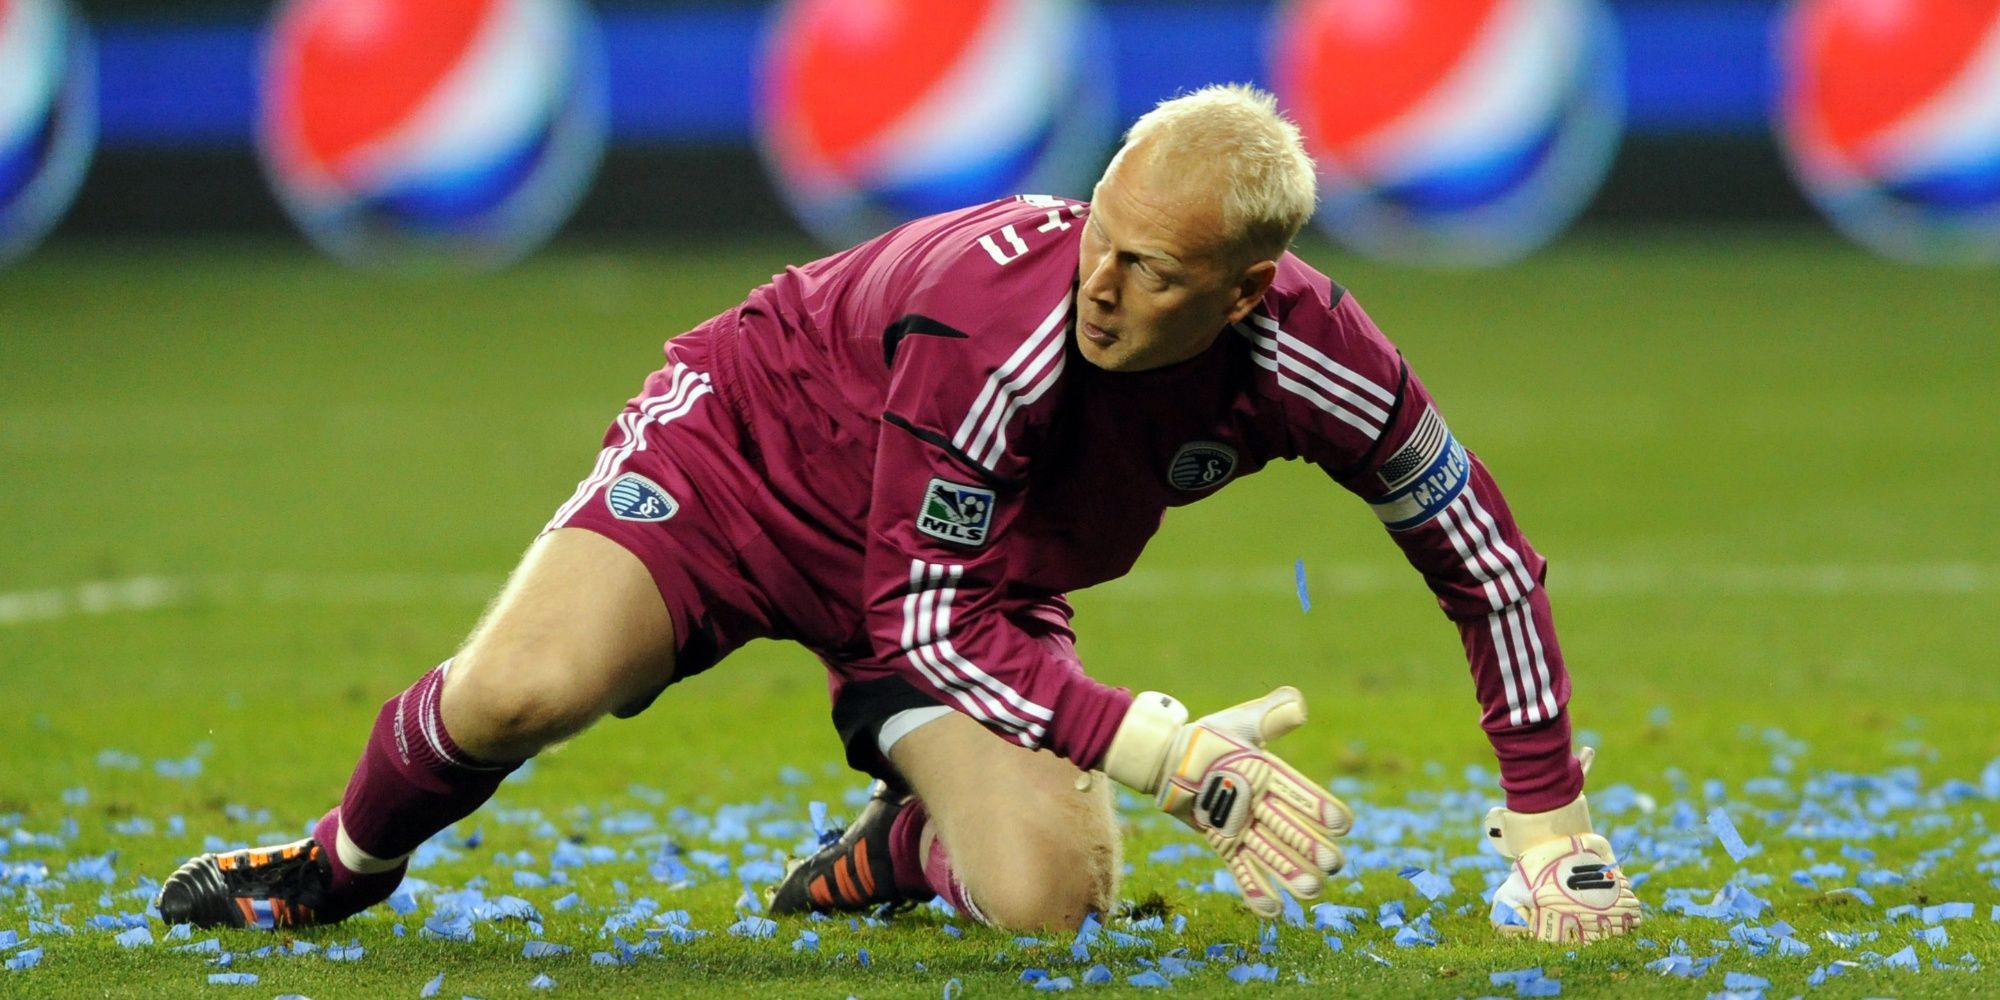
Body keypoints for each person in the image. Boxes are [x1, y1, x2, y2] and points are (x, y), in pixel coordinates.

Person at [156, 84, 1640, 942]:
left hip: (953, 562)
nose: (1102, 291)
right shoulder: (998, 320)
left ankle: (900, 844)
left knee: (1046, 899)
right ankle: (331, 868)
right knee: (524, 689)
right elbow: (919, 614)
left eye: (1153, 275)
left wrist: (1547, 820)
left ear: (1250, 293)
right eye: (1100, 242)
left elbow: (1484, 558)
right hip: (747, 467)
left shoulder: (1322, 362)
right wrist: (1165, 753)